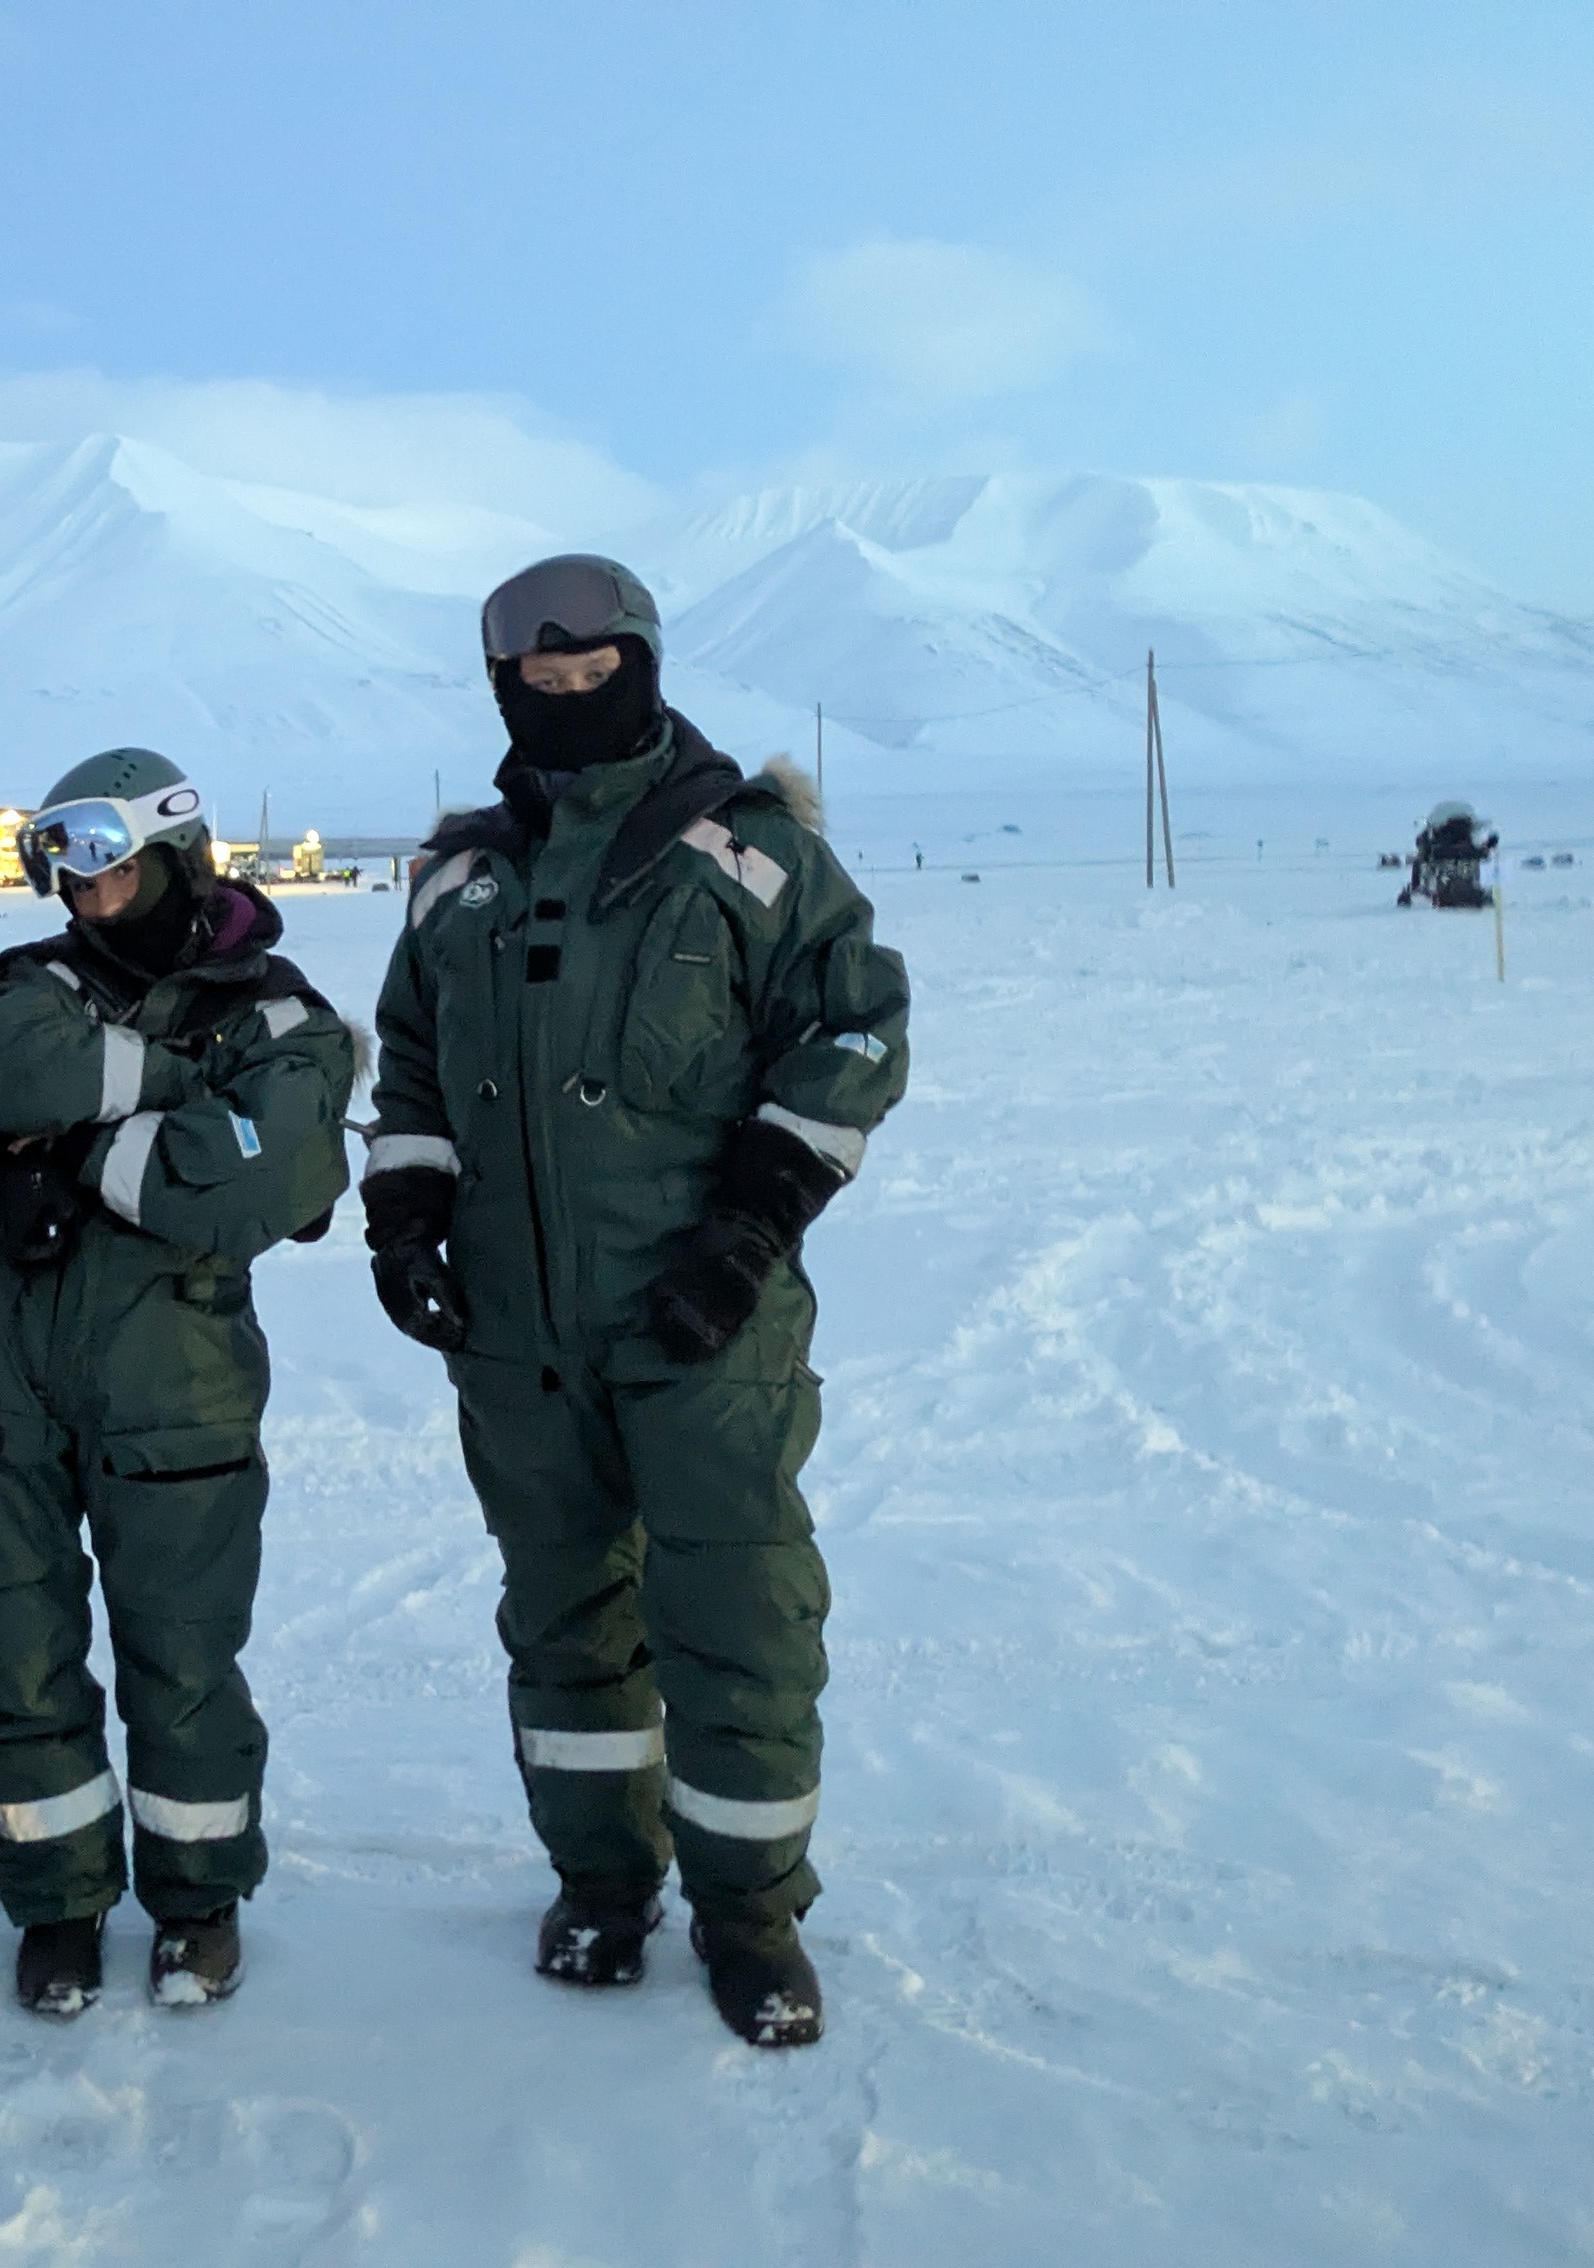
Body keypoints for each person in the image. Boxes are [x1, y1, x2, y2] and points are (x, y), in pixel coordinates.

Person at [362, 555, 910, 2049]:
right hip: (518, 1337)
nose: (563, 695)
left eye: (591, 673)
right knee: (565, 1619)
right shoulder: (459, 877)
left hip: (703, 1317)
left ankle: (751, 1918)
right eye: (533, 682)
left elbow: (854, 1035)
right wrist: (404, 1209)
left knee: (735, 1612)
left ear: (645, 668)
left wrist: (753, 1225)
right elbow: (408, 1064)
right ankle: (601, 1883)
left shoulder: (750, 857)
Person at [0, 748, 356, 2016]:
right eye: (62, 859)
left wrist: (76, 1151)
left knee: (182, 1655)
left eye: (109, 856)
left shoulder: (284, 1016)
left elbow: (265, 1181)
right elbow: (0, 1081)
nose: (85, 884)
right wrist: (180, 1096)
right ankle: (57, 1902)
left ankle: (196, 1900)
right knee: (15, 1651)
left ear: (178, 848)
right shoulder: (30, 981)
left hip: (178, 1380)